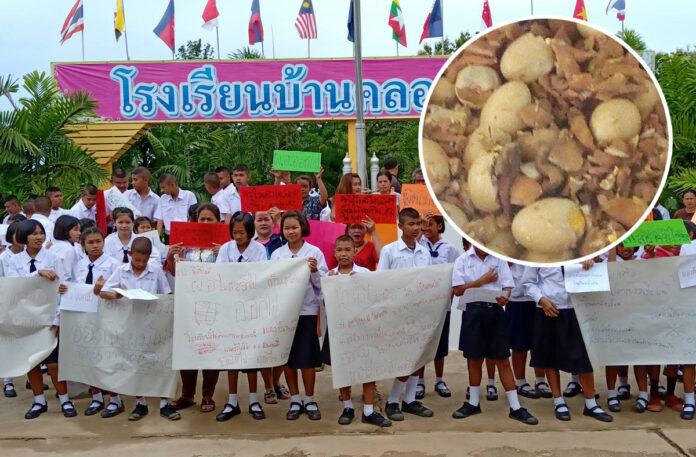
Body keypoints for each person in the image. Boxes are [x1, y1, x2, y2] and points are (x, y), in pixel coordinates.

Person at [450, 246, 538, 425]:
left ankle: (515, 407)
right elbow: (458, 290)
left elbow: (507, 287)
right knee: (474, 359)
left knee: (503, 360)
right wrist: (481, 281)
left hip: (496, 311)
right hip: (473, 312)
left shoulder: (499, 259)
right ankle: (473, 402)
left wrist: (505, 297)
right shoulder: (463, 260)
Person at [100, 237, 179, 421]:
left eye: (144, 260)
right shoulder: (121, 271)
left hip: (154, 323)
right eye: (136, 260)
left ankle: (164, 403)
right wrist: (118, 294)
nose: (140, 264)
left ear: (149, 257)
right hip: (130, 324)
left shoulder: (156, 271)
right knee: (135, 363)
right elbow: (104, 292)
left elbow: (166, 294)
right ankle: (141, 403)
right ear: (130, 255)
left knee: (160, 362)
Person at [523, 265, 612, 422]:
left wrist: (589, 266)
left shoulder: (577, 252)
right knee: (550, 357)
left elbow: (595, 273)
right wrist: (541, 300)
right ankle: (558, 401)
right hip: (549, 309)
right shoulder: (539, 254)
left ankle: (591, 404)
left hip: (576, 308)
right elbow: (528, 283)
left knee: (583, 357)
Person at [7, 219, 76, 419]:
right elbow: (15, 286)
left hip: (49, 318)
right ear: (23, 238)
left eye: (41, 233)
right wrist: (38, 273)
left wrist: (58, 319)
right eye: (34, 234)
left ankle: (64, 399)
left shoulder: (54, 258)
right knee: (32, 363)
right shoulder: (14, 261)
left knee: (54, 365)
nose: (39, 237)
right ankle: (39, 401)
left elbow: (64, 288)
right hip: (26, 319)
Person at [323, 235, 392, 427]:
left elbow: (374, 302)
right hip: (340, 330)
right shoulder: (330, 276)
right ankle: (348, 406)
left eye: (347, 250)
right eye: (339, 250)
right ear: (334, 253)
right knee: (343, 368)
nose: (343, 254)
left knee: (367, 369)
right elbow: (325, 305)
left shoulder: (365, 273)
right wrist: (331, 287)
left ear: (355, 251)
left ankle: (369, 410)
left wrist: (359, 284)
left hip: (363, 329)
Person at [162, 204, 222, 413]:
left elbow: (233, 273)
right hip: (188, 304)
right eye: (201, 219)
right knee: (188, 348)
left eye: (209, 219)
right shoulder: (185, 243)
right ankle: (187, 395)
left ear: (218, 221)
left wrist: (222, 254)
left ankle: (208, 395)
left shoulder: (224, 244)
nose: (205, 223)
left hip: (215, 303)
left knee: (209, 349)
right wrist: (171, 256)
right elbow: (174, 272)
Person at [377, 207, 434, 421]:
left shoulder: (424, 251)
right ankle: (393, 401)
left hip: (420, 311)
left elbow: (429, 280)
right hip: (398, 312)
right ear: (400, 226)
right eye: (411, 224)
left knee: (419, 358)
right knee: (403, 358)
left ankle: (409, 400)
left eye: (418, 224)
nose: (416, 228)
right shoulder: (390, 251)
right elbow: (382, 281)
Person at [270, 211, 328, 420]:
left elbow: (323, 286)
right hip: (285, 313)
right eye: (287, 228)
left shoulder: (314, 252)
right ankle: (295, 400)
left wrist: (313, 271)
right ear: (282, 230)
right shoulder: (278, 255)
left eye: (294, 227)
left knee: (308, 359)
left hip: (307, 311)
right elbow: (272, 283)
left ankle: (310, 400)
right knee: (289, 358)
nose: (291, 231)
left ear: (303, 228)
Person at [214, 212, 269, 421]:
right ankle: (232, 400)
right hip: (229, 309)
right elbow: (219, 275)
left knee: (251, 358)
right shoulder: (226, 249)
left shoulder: (259, 249)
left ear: (250, 232)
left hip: (250, 310)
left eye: (242, 232)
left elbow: (260, 275)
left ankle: (254, 399)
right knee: (232, 356)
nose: (238, 236)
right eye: (235, 232)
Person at [70, 226, 122, 417]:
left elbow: (121, 291)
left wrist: (103, 291)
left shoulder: (114, 264)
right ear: (82, 244)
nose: (95, 246)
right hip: (85, 315)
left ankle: (115, 399)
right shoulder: (78, 264)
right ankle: (97, 397)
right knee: (90, 358)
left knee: (108, 358)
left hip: (107, 316)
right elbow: (74, 288)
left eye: (98, 241)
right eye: (90, 242)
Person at [415, 214, 459, 400]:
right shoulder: (419, 245)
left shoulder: (450, 248)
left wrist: (448, 301)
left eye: (430, 224)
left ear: (440, 226)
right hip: (422, 304)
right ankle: (419, 381)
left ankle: (439, 379)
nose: (426, 227)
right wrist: (421, 231)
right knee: (422, 345)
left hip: (442, 305)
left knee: (440, 346)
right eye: (424, 225)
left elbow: (455, 276)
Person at [252, 208, 291, 403]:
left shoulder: (283, 242)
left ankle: (277, 381)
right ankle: (268, 386)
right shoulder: (249, 245)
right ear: (254, 224)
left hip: (281, 299)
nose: (263, 223)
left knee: (282, 343)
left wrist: (279, 220)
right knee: (264, 345)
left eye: (267, 219)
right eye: (259, 219)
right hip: (258, 302)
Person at [507, 262, 550, 400]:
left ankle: (540, 380)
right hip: (517, 298)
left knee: (540, 341)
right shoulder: (510, 245)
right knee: (519, 344)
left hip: (540, 298)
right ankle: (520, 382)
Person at [1, 221, 25, 398]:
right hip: (8, 304)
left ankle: (31, 379)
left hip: (27, 305)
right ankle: (8, 382)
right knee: (8, 342)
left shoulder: (28, 254)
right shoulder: (4, 257)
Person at [154, 173, 198, 242]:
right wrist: (157, 238)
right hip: (169, 236)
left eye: (164, 187)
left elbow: (193, 217)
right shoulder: (163, 198)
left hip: (186, 234)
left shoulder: (189, 195)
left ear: (172, 185)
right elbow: (160, 219)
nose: (162, 190)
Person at [49, 215, 81, 285]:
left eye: (79, 230)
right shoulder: (68, 249)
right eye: (75, 230)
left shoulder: (54, 246)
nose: (79, 233)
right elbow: (66, 275)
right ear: (65, 230)